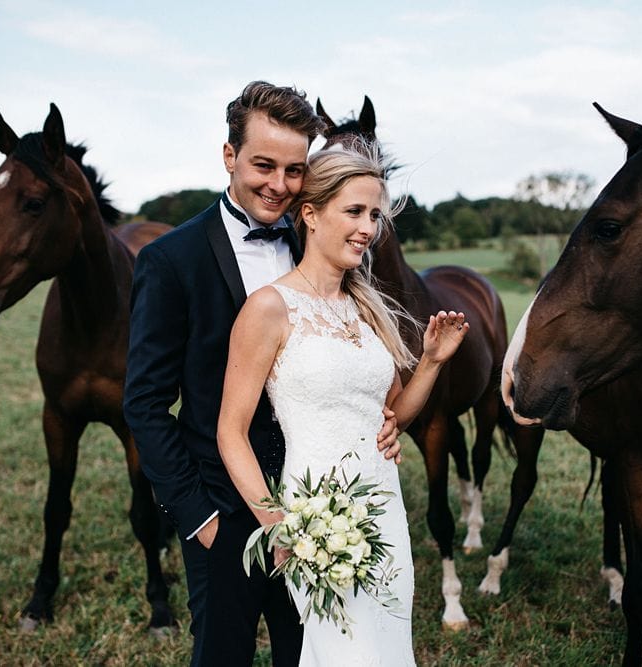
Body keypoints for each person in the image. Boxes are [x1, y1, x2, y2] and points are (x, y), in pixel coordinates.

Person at [123, 82, 401, 666]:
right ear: (229, 157)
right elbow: (145, 404)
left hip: (324, 514)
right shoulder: (171, 261)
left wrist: (382, 420)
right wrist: (199, 518)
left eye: (294, 170)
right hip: (223, 511)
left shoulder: (321, 240)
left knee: (313, 655)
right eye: (262, 165)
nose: (278, 184)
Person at [218, 141, 469, 665]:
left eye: (375, 214)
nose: (368, 227)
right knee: (344, 652)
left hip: (385, 506)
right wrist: (277, 526)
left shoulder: (367, 304)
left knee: (388, 644)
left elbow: (394, 416)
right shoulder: (269, 308)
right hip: (317, 521)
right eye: (354, 211)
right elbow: (231, 432)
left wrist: (432, 362)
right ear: (310, 213)